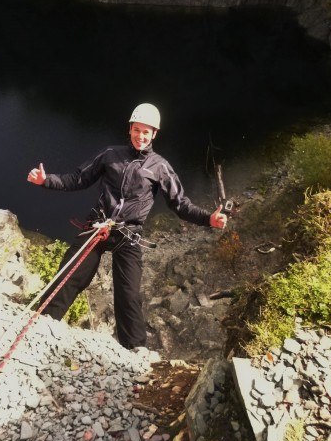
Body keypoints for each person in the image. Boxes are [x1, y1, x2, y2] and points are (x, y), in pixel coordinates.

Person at [27, 103, 227, 351]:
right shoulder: (110, 154)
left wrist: (209, 218)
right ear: (130, 129)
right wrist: (46, 180)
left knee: (128, 295)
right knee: (71, 275)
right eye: (137, 130)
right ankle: (41, 323)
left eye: (146, 132)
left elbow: (180, 204)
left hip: (128, 234)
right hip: (98, 224)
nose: (140, 136)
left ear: (154, 134)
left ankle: (134, 351)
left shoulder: (160, 167)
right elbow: (79, 178)